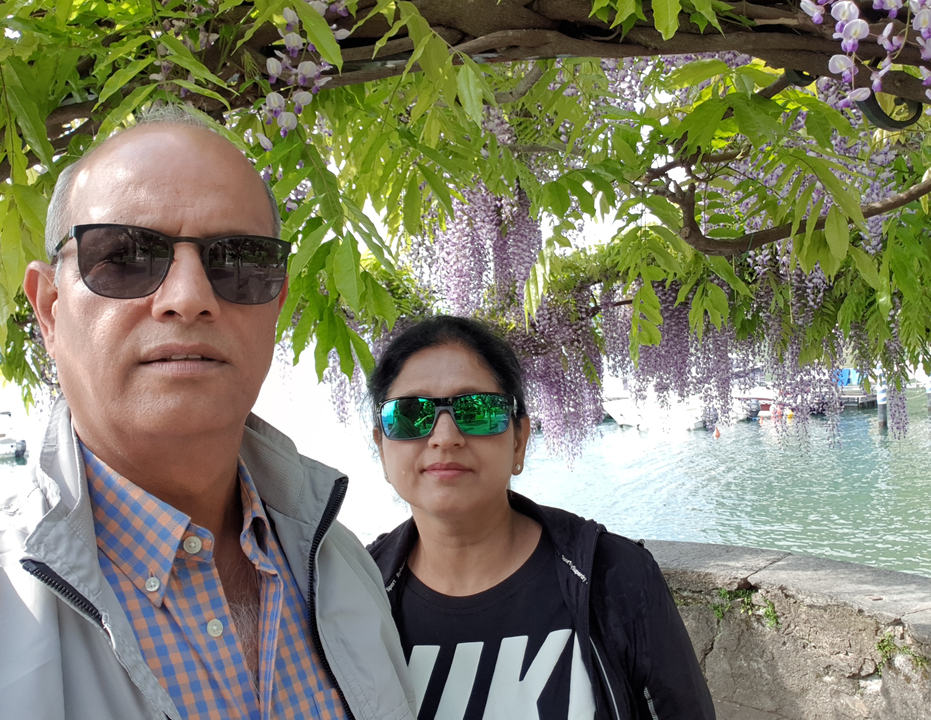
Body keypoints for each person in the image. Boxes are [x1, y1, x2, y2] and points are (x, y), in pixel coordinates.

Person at [0, 109, 415, 720]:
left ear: (275, 307)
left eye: (238, 260)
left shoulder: (341, 565)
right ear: (51, 310)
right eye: (124, 257)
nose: (189, 298)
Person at [367, 315, 716, 720]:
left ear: (519, 441)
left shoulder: (615, 577)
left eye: (478, 409)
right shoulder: (352, 594)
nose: (445, 436)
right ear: (382, 446)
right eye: (410, 414)